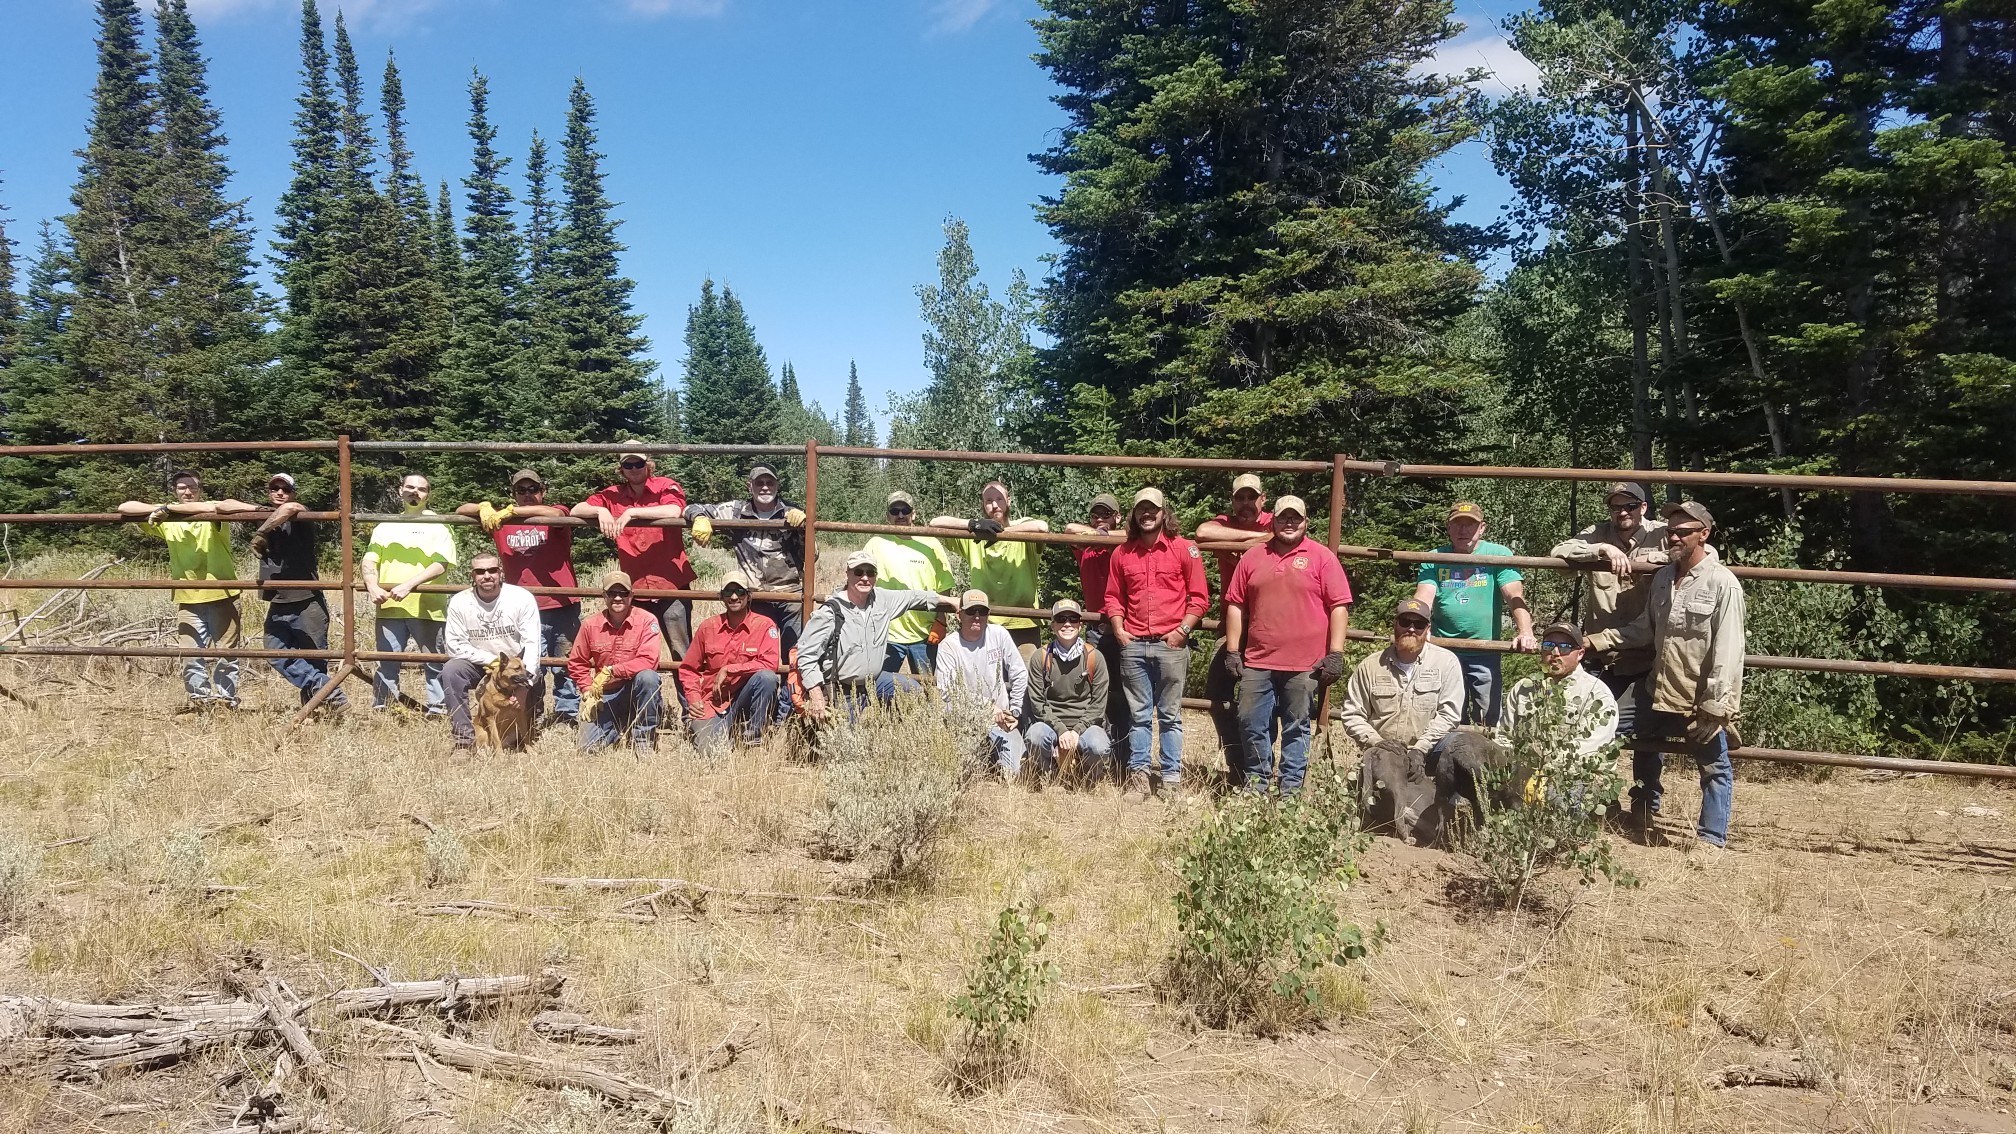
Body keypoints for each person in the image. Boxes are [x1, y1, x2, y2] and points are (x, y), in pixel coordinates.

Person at [1584, 500, 1746, 851]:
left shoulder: (1723, 584)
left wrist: (1716, 706)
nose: (1673, 536)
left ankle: (1710, 839)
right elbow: (1642, 630)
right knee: (1604, 728)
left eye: (1683, 531)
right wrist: (1593, 641)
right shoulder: (1662, 579)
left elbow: (1729, 652)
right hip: (1655, 686)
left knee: (1714, 766)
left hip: (1696, 696)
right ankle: (1623, 807)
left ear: (1704, 535)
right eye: (1671, 530)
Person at [1221, 496, 1353, 793]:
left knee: (1297, 726)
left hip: (1305, 663)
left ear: (1306, 522)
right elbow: (1235, 605)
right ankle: (1257, 784)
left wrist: (1336, 654)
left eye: (1296, 518)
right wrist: (1232, 650)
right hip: (1257, 660)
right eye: (1283, 518)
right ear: (1274, 521)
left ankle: (1290, 790)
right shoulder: (1253, 557)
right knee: (1251, 723)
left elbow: (1339, 607)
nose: (1289, 523)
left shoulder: (1322, 557)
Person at [1104, 487, 1209, 801]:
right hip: (1133, 644)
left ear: (1165, 513)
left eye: (1153, 509)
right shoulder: (1122, 554)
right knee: (1138, 715)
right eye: (1141, 510)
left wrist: (1182, 632)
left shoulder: (1184, 549)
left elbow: (1200, 597)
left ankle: (1171, 780)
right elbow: (1113, 597)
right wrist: (1120, 631)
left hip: (1170, 646)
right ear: (1135, 515)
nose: (1147, 514)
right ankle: (1138, 779)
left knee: (1170, 715)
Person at [119, 471, 255, 711]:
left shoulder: (211, 514)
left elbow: (220, 506)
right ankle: (201, 702)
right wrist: (163, 508)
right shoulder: (166, 521)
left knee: (227, 653)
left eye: (192, 487)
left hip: (222, 594)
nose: (187, 491)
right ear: (175, 491)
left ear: (200, 490)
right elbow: (125, 507)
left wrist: (168, 509)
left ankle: (226, 701)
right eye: (181, 487)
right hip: (187, 597)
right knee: (191, 654)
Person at [457, 468, 581, 726]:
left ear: (542, 491)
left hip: (560, 604)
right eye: (520, 491)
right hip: (520, 609)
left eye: (532, 489)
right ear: (513, 493)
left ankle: (566, 715)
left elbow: (558, 514)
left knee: (564, 664)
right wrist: (483, 507)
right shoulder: (500, 521)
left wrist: (512, 511)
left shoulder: (551, 514)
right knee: (527, 665)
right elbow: (460, 510)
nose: (527, 495)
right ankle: (531, 713)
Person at [1550, 482, 1667, 737]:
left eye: (1631, 506)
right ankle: (1588, 776)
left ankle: (1647, 779)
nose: (1623, 512)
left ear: (1643, 508)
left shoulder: (1662, 534)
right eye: (1616, 507)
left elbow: (1703, 553)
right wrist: (1601, 549)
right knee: (1584, 724)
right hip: (1601, 655)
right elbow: (1558, 553)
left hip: (1645, 653)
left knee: (1649, 733)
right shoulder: (1598, 533)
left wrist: (1651, 562)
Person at [1411, 501, 1537, 726]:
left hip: (1484, 650)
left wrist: (1525, 631)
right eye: (1457, 524)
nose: (1463, 530)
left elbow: (1514, 595)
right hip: (1443, 649)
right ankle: (1444, 757)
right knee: (1447, 714)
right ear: (1448, 528)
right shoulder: (1435, 557)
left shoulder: (1498, 555)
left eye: (1470, 524)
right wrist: (1417, 628)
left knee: (1487, 715)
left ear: (1482, 528)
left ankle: (1486, 758)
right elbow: (1424, 598)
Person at [796, 550, 948, 724]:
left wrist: (950, 601)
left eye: (871, 572)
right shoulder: (830, 612)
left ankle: (893, 735)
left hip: (874, 681)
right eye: (859, 572)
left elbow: (913, 597)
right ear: (847, 574)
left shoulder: (881, 599)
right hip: (843, 690)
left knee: (912, 690)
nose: (865, 578)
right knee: (844, 744)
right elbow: (806, 655)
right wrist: (815, 693)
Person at [573, 446, 694, 659]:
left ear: (648, 464)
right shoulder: (612, 495)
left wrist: (632, 512)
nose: (634, 468)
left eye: (638, 463)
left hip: (671, 585)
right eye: (628, 465)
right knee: (634, 654)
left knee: (681, 654)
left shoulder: (664, 486)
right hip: (635, 589)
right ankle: (643, 694)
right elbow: (576, 510)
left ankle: (689, 694)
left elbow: (674, 510)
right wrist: (601, 510)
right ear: (621, 469)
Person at [1197, 473, 1277, 784]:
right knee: (1217, 694)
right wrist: (1253, 540)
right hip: (1232, 627)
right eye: (1239, 497)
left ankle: (1261, 768)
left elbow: (1282, 533)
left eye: (1251, 497)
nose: (1245, 503)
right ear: (1233, 500)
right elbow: (1203, 531)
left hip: (1268, 627)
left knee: (1265, 700)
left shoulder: (1274, 520)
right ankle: (1236, 763)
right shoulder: (1225, 522)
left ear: (1263, 499)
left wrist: (1236, 540)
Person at [248, 472, 345, 712]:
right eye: (274, 489)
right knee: (274, 652)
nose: (280, 493)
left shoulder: (301, 515)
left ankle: (313, 710)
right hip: (279, 600)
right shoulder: (262, 512)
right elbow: (225, 504)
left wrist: (262, 532)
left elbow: (292, 507)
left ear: (293, 492)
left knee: (315, 658)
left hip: (307, 600)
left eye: (285, 489)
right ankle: (328, 691)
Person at [685, 465, 808, 653]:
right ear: (749, 486)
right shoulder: (736, 511)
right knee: (755, 653)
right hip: (754, 596)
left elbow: (812, 556)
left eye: (770, 482)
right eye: (759, 483)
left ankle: (787, 684)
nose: (765, 487)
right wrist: (700, 518)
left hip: (790, 595)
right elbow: (691, 508)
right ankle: (761, 683)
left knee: (794, 653)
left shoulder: (792, 513)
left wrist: (803, 529)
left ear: (777, 485)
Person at [362, 473, 457, 714]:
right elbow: (370, 560)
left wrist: (408, 585)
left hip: (427, 605)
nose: (415, 492)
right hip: (389, 606)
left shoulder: (439, 523)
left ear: (428, 494)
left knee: (434, 661)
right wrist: (372, 585)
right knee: (387, 661)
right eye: (410, 487)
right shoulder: (384, 526)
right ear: (400, 490)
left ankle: (438, 709)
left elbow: (441, 563)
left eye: (422, 489)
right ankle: (384, 708)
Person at [930, 480, 1048, 659]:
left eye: (999, 499)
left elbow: (1042, 527)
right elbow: (935, 523)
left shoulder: (1024, 527)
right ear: (983, 505)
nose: (994, 505)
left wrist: (1002, 533)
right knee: (986, 681)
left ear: (1008, 501)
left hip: (1023, 621)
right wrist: (973, 524)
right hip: (984, 620)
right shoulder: (975, 536)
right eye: (988, 501)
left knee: (1025, 681)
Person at [441, 552, 544, 753]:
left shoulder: (521, 598)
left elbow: (532, 644)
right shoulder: (460, 602)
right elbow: (454, 645)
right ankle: (464, 740)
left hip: (514, 669)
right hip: (478, 664)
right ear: (472, 575)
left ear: (501, 572)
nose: (486, 575)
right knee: (451, 671)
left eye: (492, 570)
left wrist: (523, 687)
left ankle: (525, 735)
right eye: (480, 571)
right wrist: (492, 661)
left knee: (524, 710)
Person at [1340, 598, 1465, 760]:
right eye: (1405, 622)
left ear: (1427, 629)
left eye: (1419, 624)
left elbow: (1449, 715)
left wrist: (1420, 748)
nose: (1411, 629)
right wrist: (1376, 742)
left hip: (1431, 750)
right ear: (1395, 624)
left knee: (1463, 745)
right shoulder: (1370, 666)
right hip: (1384, 752)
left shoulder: (1447, 662)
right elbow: (1352, 714)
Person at [1061, 492, 1128, 776]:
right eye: (1095, 514)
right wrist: (1098, 532)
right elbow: (1068, 530)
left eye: (1107, 515)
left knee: (1124, 694)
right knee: (1092, 693)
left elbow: (1130, 534)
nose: (1100, 519)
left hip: (1122, 628)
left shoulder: (1122, 546)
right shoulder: (1086, 546)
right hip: (1094, 631)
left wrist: (1106, 534)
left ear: (1118, 517)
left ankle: (1123, 760)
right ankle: (1093, 757)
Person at [678, 573, 782, 753]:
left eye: (740, 591)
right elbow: (688, 669)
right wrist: (694, 699)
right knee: (711, 753)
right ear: (721, 596)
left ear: (749, 596)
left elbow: (770, 663)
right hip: (713, 703)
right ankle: (727, 734)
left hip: (746, 699)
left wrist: (730, 669)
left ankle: (753, 742)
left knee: (767, 678)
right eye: (728, 592)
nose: (734, 597)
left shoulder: (765, 626)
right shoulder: (708, 627)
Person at [566, 569, 667, 754]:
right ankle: (619, 723)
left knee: (649, 678)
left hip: (636, 690)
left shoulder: (647, 621)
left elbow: (649, 660)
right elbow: (577, 662)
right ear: (604, 595)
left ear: (631, 595)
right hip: (606, 695)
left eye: (623, 593)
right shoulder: (590, 624)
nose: (618, 598)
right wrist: (588, 691)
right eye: (612, 593)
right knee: (587, 749)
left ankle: (643, 738)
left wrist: (612, 671)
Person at [934, 589, 1030, 779]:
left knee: (1016, 773)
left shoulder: (999, 634)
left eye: (982, 611)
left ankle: (996, 758)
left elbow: (1019, 673)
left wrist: (1016, 709)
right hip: (964, 720)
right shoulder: (948, 646)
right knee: (962, 774)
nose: (977, 616)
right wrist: (987, 707)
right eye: (971, 611)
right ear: (959, 615)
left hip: (1001, 721)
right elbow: (947, 691)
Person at [1022, 599, 1113, 787]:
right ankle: (1049, 778)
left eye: (1073, 619)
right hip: (1051, 723)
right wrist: (1061, 730)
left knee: (1099, 746)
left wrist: (1077, 731)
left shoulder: (1094, 657)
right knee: (1034, 737)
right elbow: (1037, 703)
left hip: (1086, 725)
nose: (1067, 624)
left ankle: (1085, 779)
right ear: (1053, 625)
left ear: (1080, 625)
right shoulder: (1041, 657)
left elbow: (1098, 705)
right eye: (1061, 619)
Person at [1498, 622, 1619, 760]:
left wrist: (1542, 772)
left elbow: (1588, 752)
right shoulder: (1523, 688)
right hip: (1524, 772)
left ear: (1580, 654)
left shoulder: (1597, 694)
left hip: (1575, 777)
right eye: (1549, 646)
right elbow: (1505, 738)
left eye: (1565, 647)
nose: (1555, 653)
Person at [865, 490, 953, 676]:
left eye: (905, 510)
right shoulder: (876, 543)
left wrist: (940, 621)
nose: (900, 515)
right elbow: (861, 582)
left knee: (929, 689)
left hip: (924, 633)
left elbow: (944, 586)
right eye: (895, 510)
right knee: (877, 688)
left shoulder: (931, 543)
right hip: (886, 633)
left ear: (914, 513)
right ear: (887, 515)